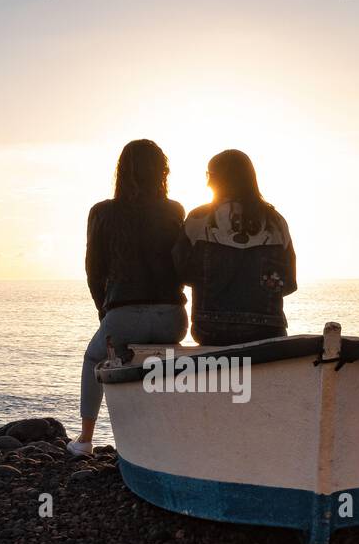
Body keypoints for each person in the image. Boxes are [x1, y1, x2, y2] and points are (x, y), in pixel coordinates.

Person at [70, 139, 188, 457]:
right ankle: (166, 437)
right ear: (161, 172)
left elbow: (94, 272)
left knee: (94, 359)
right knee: (160, 368)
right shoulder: (175, 210)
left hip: (123, 315)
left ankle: (84, 438)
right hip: (173, 317)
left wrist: (105, 313)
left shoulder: (103, 212)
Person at [171, 149, 296, 346]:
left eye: (209, 175)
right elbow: (288, 283)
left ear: (216, 179)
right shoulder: (276, 222)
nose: (207, 181)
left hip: (211, 329)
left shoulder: (198, 219)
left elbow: (181, 272)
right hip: (267, 331)